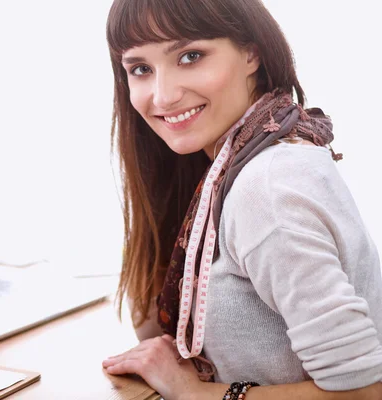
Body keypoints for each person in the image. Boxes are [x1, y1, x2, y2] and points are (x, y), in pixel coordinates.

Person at [101, 0, 382, 399]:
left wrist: (193, 393)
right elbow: (153, 334)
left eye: (190, 56)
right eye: (141, 69)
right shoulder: (235, 160)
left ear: (251, 51)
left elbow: (363, 393)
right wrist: (151, 198)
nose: (162, 97)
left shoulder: (267, 186)